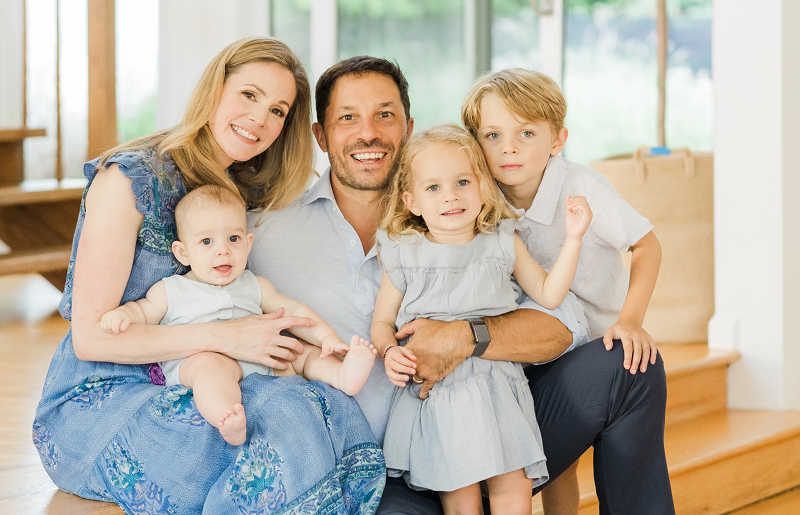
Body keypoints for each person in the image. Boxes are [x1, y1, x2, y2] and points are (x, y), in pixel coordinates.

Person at [248, 55, 674, 515]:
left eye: (385, 115)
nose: (367, 132)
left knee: (631, 366)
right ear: (321, 135)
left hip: (495, 414)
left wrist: (464, 337)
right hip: (394, 462)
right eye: (347, 118)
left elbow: (560, 323)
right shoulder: (264, 232)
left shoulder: (472, 210)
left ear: (408, 127)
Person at [33, 38, 385, 515]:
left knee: (314, 405)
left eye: (278, 110)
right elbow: (91, 341)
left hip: (208, 372)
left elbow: (252, 302)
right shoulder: (131, 179)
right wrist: (229, 336)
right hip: (105, 395)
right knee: (268, 429)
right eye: (249, 95)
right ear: (215, 90)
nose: (260, 119)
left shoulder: (242, 190)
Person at [461, 68, 663, 515]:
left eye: (526, 133)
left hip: (590, 348)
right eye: (492, 135)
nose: (508, 147)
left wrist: (629, 320)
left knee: (573, 455)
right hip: (525, 347)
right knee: (556, 463)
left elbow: (646, 244)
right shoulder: (476, 195)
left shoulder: (580, 185)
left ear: (557, 140)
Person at [370, 124, 592, 514]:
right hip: (439, 397)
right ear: (412, 201)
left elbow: (550, 294)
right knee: (462, 503)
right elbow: (382, 322)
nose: (451, 195)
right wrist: (389, 351)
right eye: (433, 188)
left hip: (498, 387)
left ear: (482, 188)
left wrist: (573, 239)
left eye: (462, 182)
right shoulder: (405, 253)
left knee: (513, 494)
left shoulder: (502, 242)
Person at [99, 184, 377, 446]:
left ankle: (342, 376)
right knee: (209, 368)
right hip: (205, 362)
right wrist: (124, 314)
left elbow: (293, 313)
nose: (223, 250)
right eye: (206, 241)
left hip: (263, 360)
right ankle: (227, 417)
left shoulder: (255, 285)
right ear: (183, 252)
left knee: (301, 351)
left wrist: (326, 337)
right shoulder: (171, 290)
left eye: (233, 239)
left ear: (248, 243)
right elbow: (142, 311)